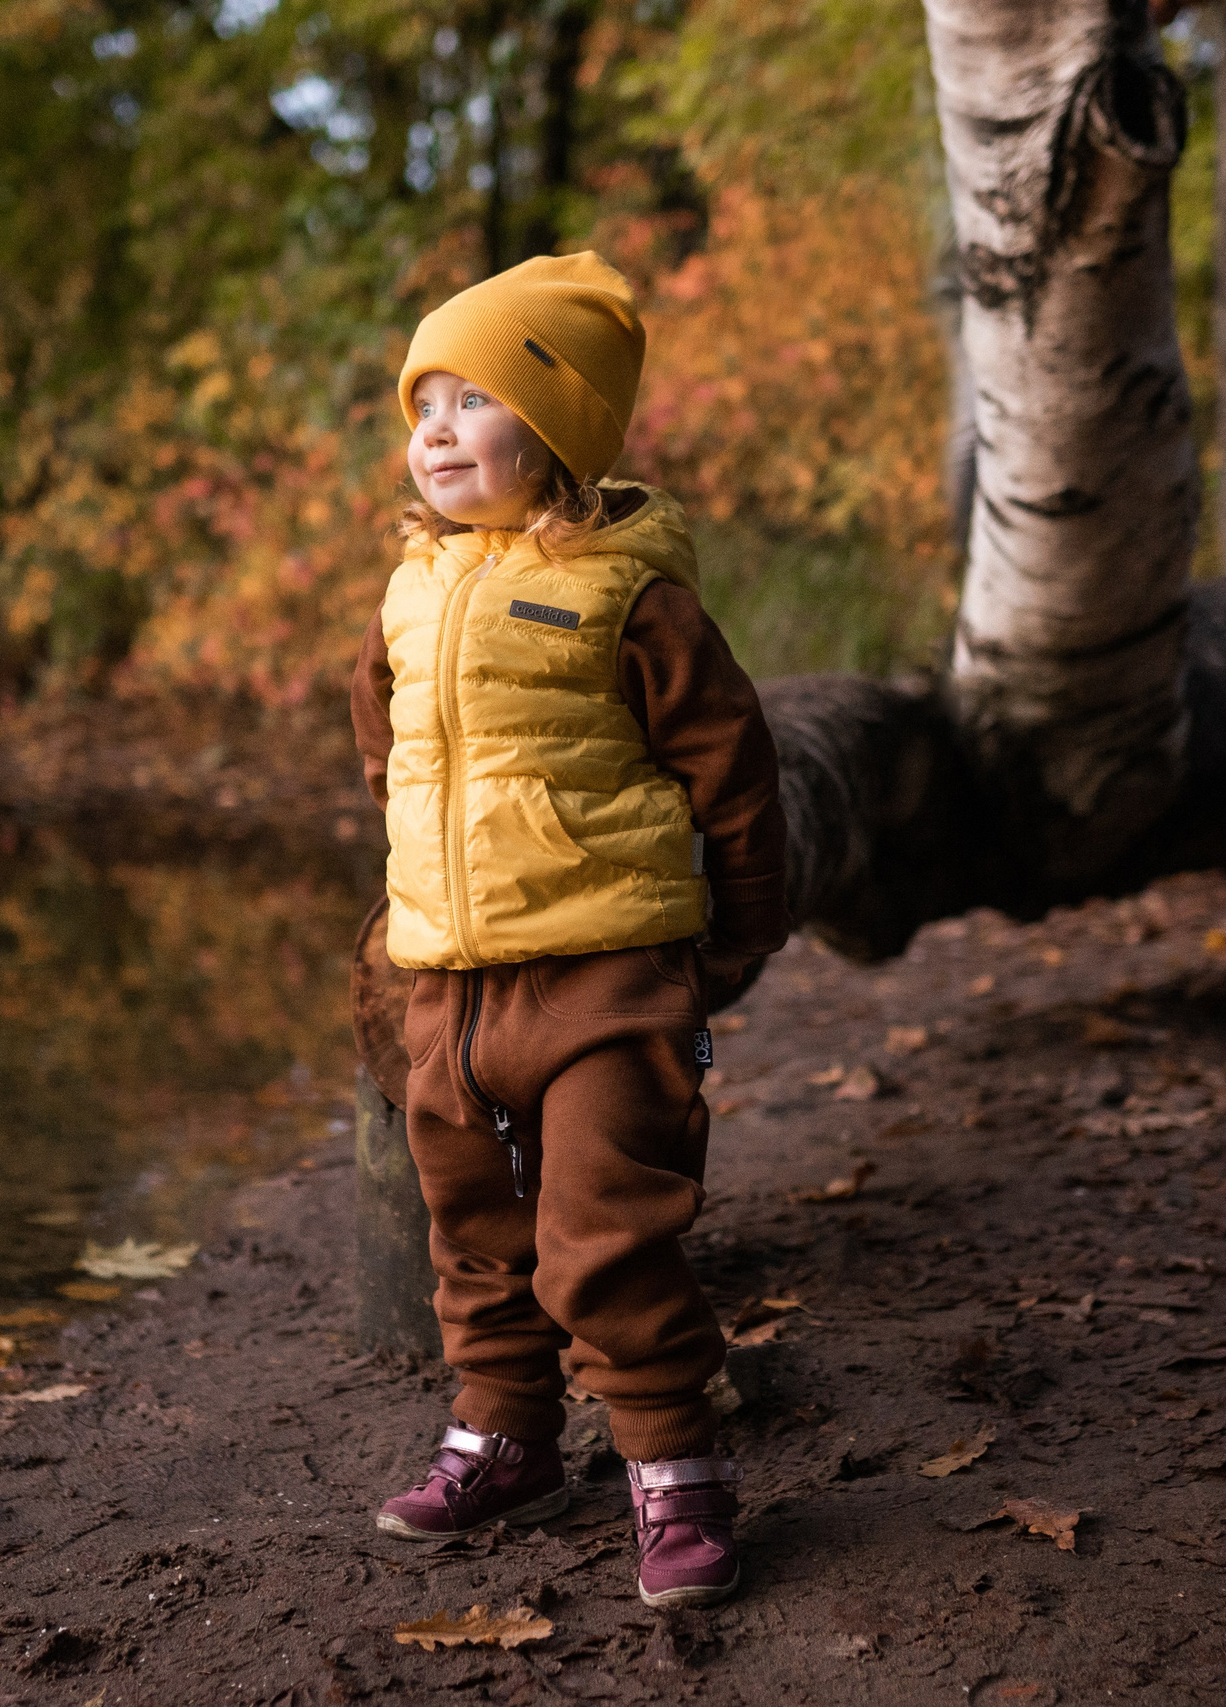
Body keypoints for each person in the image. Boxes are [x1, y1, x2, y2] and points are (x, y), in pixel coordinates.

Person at [348, 251, 791, 1609]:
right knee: (472, 1232)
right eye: (423, 400)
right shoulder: (410, 594)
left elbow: (731, 762)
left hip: (606, 972)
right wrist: (403, 929)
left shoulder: (626, 590)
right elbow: (388, 762)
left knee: (604, 1231)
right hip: (453, 988)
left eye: (472, 400)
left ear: (555, 434)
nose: (431, 429)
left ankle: (675, 1465)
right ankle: (504, 1440)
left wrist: (733, 932)